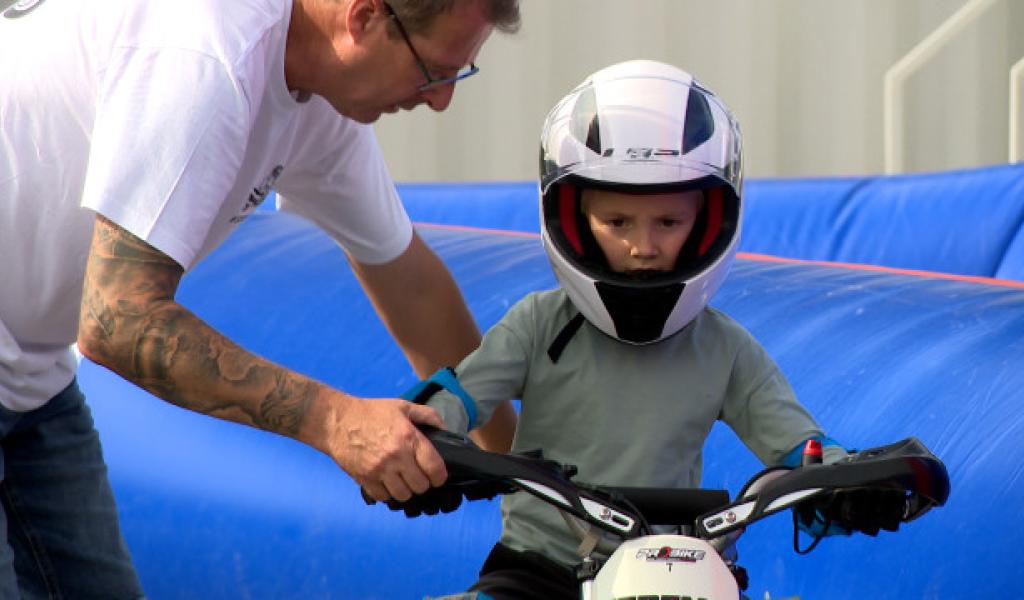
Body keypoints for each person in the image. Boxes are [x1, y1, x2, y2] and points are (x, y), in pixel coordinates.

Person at [0, 0, 519, 596]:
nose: (441, 100)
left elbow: (413, 285)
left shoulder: (320, 95)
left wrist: (528, 477)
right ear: (364, 17)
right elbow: (117, 320)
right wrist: (337, 419)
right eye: (434, 72)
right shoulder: (206, 58)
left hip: (31, 375)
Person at [401, 60, 858, 599]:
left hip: (683, 569)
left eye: (669, 222)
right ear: (575, 220)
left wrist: (845, 486)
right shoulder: (537, 323)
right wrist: (417, 441)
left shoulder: (724, 347)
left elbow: (801, 447)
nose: (643, 247)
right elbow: (456, 397)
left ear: (708, 221)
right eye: (617, 223)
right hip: (538, 569)